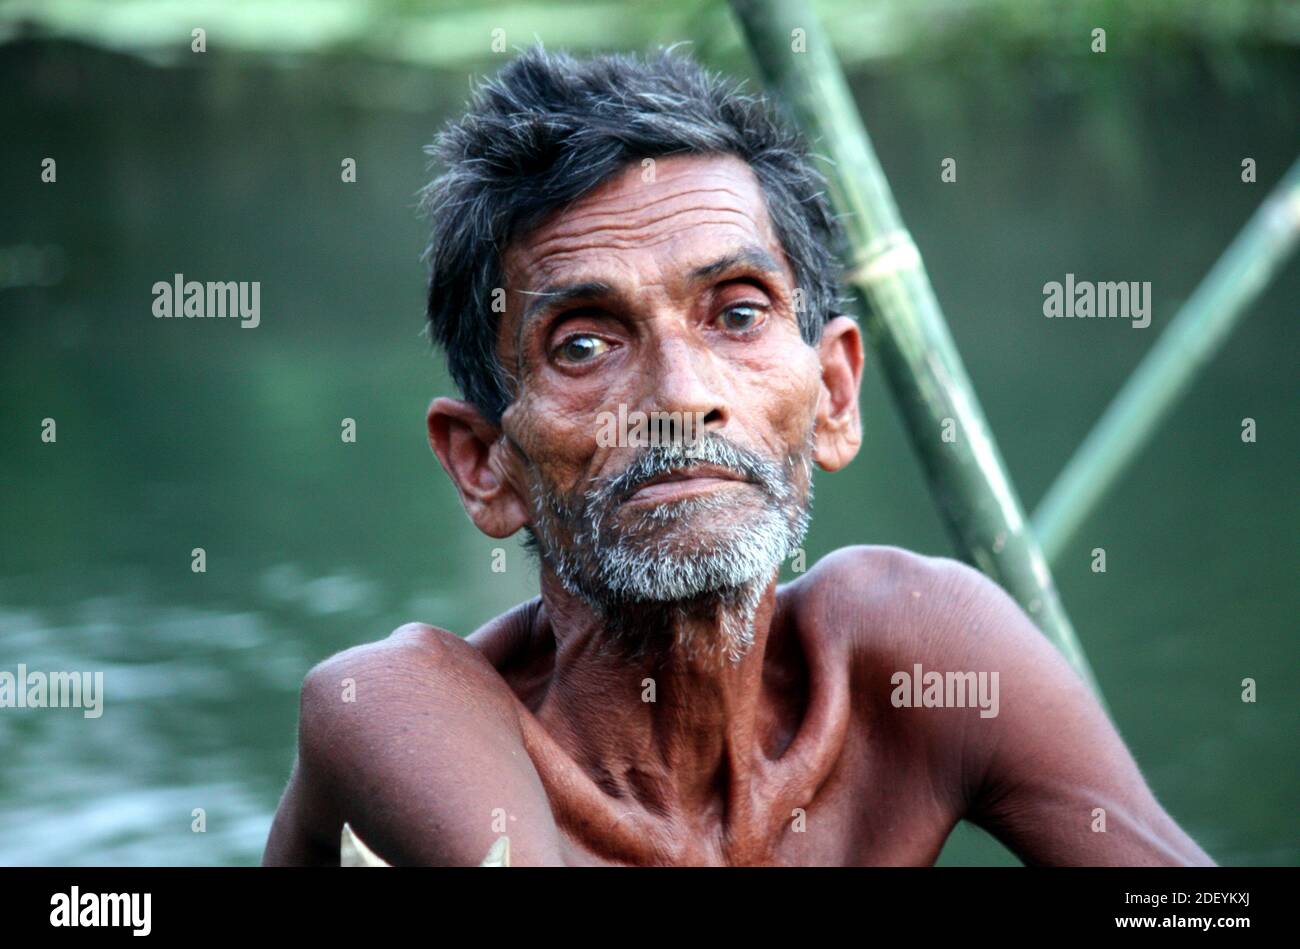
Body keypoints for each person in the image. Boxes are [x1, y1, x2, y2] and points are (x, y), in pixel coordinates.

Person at [264, 46, 1213, 866]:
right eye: (584, 344)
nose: (681, 398)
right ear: (484, 464)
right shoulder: (401, 710)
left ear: (836, 394)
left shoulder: (915, 654)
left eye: (740, 314)